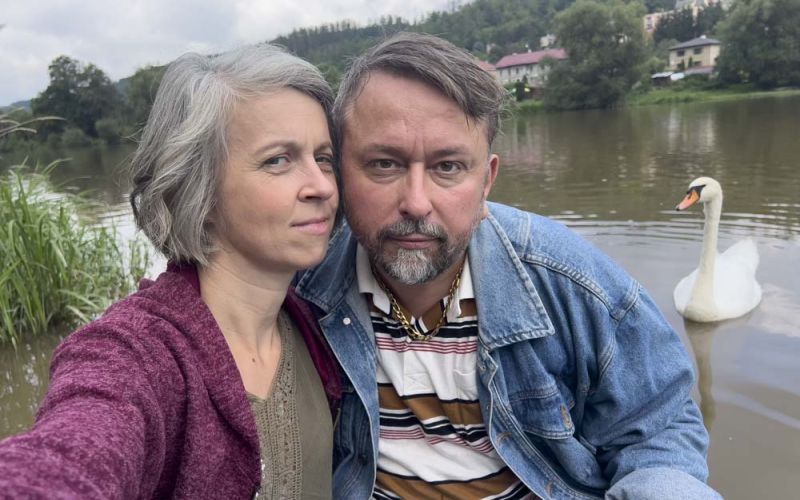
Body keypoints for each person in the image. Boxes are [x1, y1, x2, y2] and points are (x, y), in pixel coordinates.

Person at [294, 32, 721, 499]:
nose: (416, 203)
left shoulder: (570, 281)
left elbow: (658, 426)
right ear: (340, 172)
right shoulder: (300, 282)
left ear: (487, 182)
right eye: (383, 164)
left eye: (448, 167)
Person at [0, 44, 340, 499]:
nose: (321, 186)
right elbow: (74, 448)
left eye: (324, 158)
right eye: (278, 160)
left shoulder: (321, 325)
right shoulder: (139, 353)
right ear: (197, 189)